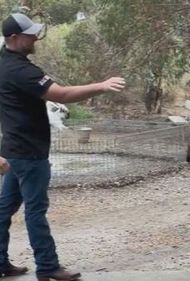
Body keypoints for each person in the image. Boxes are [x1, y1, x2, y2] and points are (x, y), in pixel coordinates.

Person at [0, 13, 125, 281]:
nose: (35, 37)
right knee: (36, 211)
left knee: (4, 209)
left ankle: (0, 263)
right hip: (30, 153)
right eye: (29, 34)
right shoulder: (21, 71)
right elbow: (61, 94)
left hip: (12, 150)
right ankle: (47, 267)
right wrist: (101, 86)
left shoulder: (4, 64)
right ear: (13, 38)